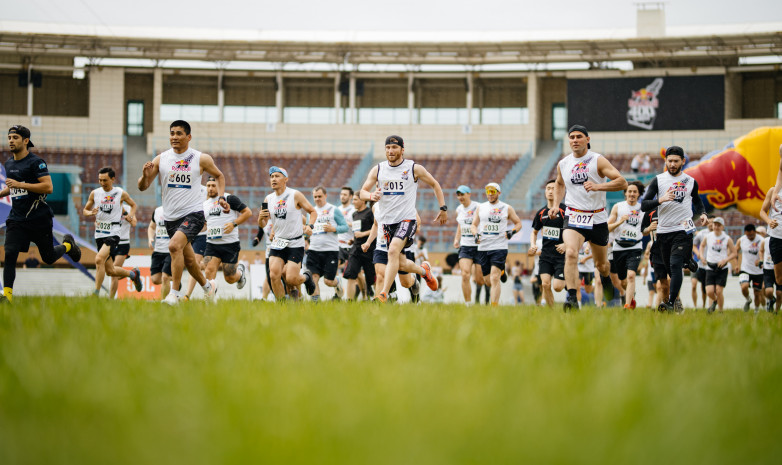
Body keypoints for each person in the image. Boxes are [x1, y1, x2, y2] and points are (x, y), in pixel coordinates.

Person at [137, 120, 223, 304]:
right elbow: (143, 187)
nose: (174, 137)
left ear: (188, 137)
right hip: (170, 218)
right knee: (190, 262)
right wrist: (145, 175)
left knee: (174, 246)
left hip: (193, 214)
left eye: (178, 134)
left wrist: (221, 198)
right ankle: (209, 288)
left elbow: (219, 175)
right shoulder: (161, 159)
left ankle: (174, 294)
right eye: (172, 133)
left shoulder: (201, 158)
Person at [358, 135, 444, 302]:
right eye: (388, 148)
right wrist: (370, 195)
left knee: (392, 251)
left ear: (402, 150)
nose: (391, 151)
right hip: (388, 224)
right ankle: (424, 271)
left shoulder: (413, 168)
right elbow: (362, 192)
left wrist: (443, 208)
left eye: (394, 148)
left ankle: (384, 294)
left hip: (406, 220)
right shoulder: (378, 169)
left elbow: (434, 184)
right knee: (402, 267)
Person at [551, 125, 628, 311]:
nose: (575, 140)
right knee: (571, 253)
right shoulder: (564, 163)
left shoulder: (597, 160)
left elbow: (622, 182)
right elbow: (559, 184)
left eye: (579, 136)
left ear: (587, 139)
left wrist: (598, 186)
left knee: (601, 265)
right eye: (572, 137)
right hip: (574, 216)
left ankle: (606, 278)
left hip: (597, 218)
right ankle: (571, 298)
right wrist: (555, 205)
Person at [1, 125, 81, 303]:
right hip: (17, 218)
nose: (11, 141)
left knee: (49, 257)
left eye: (15, 138)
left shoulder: (36, 162)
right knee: (10, 252)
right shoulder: (9, 163)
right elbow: (12, 187)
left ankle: (68, 246)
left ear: (26, 141)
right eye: (9, 138)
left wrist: (21, 184)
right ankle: (7, 297)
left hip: (39, 219)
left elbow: (48, 187)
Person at [641, 146, 707, 312]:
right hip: (663, 232)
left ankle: (671, 303)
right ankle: (688, 260)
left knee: (675, 264)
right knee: (670, 271)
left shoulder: (691, 182)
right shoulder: (658, 180)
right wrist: (660, 200)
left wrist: (703, 213)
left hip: (683, 229)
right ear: (666, 161)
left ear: (683, 161)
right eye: (669, 161)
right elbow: (644, 205)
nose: (672, 164)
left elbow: (698, 201)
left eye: (676, 161)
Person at [258, 166, 318, 300]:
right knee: (273, 275)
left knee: (291, 279)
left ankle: (306, 277)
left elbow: (312, 211)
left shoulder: (295, 195)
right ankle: (282, 306)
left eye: (277, 176)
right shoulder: (268, 199)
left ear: (285, 179)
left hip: (295, 243)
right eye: (271, 177)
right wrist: (260, 218)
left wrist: (310, 226)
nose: (273, 179)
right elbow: (263, 224)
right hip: (278, 242)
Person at [83, 166, 142, 297]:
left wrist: (131, 216)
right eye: (100, 180)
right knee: (110, 271)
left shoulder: (120, 193)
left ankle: (96, 293)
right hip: (99, 233)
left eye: (105, 180)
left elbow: (133, 205)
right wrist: (90, 212)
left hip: (114, 233)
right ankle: (133, 274)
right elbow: (84, 210)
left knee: (99, 259)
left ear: (113, 179)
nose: (102, 183)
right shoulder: (95, 193)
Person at [471, 182, 523, 306]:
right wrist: (475, 234)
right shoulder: (481, 207)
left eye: (493, 192)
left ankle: (494, 308)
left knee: (495, 278)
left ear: (499, 193)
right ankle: (503, 271)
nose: (490, 194)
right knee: (488, 281)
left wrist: (512, 231)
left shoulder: (506, 208)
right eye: (488, 192)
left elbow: (518, 224)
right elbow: (473, 225)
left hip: (499, 246)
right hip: (483, 247)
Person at [203, 177, 252, 295]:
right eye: (208, 186)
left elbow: (248, 213)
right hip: (212, 244)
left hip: (230, 244)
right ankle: (210, 301)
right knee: (209, 271)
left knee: (229, 278)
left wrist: (233, 224)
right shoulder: (204, 204)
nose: (210, 188)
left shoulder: (230, 198)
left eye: (213, 185)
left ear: (220, 186)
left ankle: (240, 273)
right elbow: (204, 224)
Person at [366, 204, 421, 302]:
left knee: (405, 283)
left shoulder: (402, 200)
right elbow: (376, 224)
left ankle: (413, 280)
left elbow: (417, 223)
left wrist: (400, 236)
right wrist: (368, 242)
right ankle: (378, 307)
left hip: (400, 247)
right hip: (381, 246)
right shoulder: (375, 207)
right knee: (380, 276)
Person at [607, 181, 645, 309]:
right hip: (618, 247)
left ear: (639, 194)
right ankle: (629, 294)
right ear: (625, 193)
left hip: (635, 247)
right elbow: (607, 228)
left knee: (631, 276)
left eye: (635, 191)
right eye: (629, 191)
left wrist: (649, 228)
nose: (632, 194)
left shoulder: (642, 209)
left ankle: (628, 306)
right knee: (623, 281)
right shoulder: (618, 207)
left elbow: (644, 231)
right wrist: (619, 222)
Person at [528, 180, 566, 307]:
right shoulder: (540, 213)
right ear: (545, 192)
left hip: (561, 256)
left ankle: (570, 285)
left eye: (554, 188)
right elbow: (534, 232)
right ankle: (552, 312)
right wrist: (533, 245)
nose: (550, 191)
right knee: (545, 284)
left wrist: (566, 244)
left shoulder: (565, 210)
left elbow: (574, 231)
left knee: (558, 287)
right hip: (545, 256)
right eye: (548, 188)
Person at [306, 186, 348, 301]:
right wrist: (306, 235)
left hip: (330, 250)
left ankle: (337, 282)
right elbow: (307, 230)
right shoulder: (311, 212)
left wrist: (333, 229)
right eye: (315, 197)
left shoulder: (334, 209)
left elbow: (345, 227)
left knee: (328, 281)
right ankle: (316, 304)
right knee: (313, 277)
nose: (317, 199)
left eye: (320, 196)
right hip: (314, 250)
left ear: (325, 196)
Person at [452, 185, 485, 305]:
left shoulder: (478, 206)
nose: (460, 197)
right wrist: (457, 239)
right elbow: (460, 225)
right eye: (458, 195)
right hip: (465, 246)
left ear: (469, 194)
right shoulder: (459, 209)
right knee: (465, 274)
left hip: (479, 246)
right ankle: (468, 304)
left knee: (480, 279)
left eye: (462, 194)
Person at [343, 192, 376, 300]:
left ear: (363, 200)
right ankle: (350, 302)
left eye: (355, 200)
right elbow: (357, 230)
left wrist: (363, 234)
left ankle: (377, 298)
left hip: (368, 249)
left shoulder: (371, 213)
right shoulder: (354, 214)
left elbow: (376, 228)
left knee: (372, 278)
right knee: (351, 275)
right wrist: (353, 239)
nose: (353, 202)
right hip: (356, 249)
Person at [700, 217, 736, 313]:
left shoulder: (727, 238)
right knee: (709, 291)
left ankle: (720, 311)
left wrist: (725, 260)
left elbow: (734, 253)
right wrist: (702, 256)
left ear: (722, 227)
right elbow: (702, 246)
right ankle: (715, 301)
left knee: (719, 291)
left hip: (722, 267)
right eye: (715, 225)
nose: (716, 227)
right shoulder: (708, 236)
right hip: (710, 266)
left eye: (719, 225)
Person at [184, 182, 209, 300]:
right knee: (191, 263)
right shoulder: (183, 188)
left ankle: (187, 295)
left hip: (201, 233)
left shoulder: (205, 190)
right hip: (186, 231)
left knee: (195, 261)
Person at [758, 185, 782, 309]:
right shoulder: (773, 190)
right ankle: (772, 301)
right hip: (777, 237)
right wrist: (769, 221)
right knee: (779, 279)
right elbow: (762, 211)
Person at [736, 224, 764, 312]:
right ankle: (748, 299)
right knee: (744, 286)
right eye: (748, 235)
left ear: (755, 232)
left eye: (752, 235)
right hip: (745, 269)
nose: (750, 237)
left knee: (757, 292)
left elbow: (767, 253)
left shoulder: (762, 240)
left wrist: (760, 260)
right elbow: (734, 251)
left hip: (758, 271)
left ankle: (756, 311)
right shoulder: (741, 240)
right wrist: (736, 264)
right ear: (745, 233)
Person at [148, 205, 173, 299]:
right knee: (155, 279)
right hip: (158, 250)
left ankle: (164, 302)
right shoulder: (157, 211)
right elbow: (151, 227)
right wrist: (150, 238)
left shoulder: (177, 210)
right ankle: (176, 282)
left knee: (165, 277)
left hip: (171, 251)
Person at [110, 204, 134, 298]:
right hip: (111, 242)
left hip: (123, 243)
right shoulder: (110, 207)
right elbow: (97, 222)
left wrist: (125, 213)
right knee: (111, 272)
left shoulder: (128, 208)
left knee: (114, 270)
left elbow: (134, 222)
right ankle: (132, 273)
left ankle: (110, 299)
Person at [691, 219, 712, 309]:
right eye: (709, 222)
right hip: (697, 263)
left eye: (712, 222)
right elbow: (693, 245)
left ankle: (703, 305)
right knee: (694, 285)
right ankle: (695, 306)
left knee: (704, 288)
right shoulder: (702, 234)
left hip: (708, 265)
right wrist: (698, 253)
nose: (711, 224)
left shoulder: (718, 235)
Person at [758, 227, 781, 312]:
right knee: (768, 291)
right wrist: (761, 260)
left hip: (779, 268)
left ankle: (776, 312)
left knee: (779, 293)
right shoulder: (765, 241)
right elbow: (761, 251)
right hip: (768, 269)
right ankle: (771, 300)